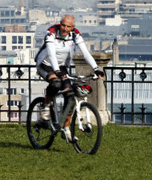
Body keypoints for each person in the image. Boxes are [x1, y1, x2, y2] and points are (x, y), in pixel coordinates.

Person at [34, 14, 104, 142]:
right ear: (59, 24)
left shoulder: (75, 35)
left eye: (68, 26)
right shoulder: (51, 33)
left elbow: (85, 53)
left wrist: (96, 68)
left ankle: (66, 129)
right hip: (46, 64)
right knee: (55, 83)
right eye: (63, 25)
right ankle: (45, 107)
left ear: (73, 27)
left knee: (70, 96)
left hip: (62, 67)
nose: (65, 29)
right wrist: (56, 71)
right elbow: (51, 54)